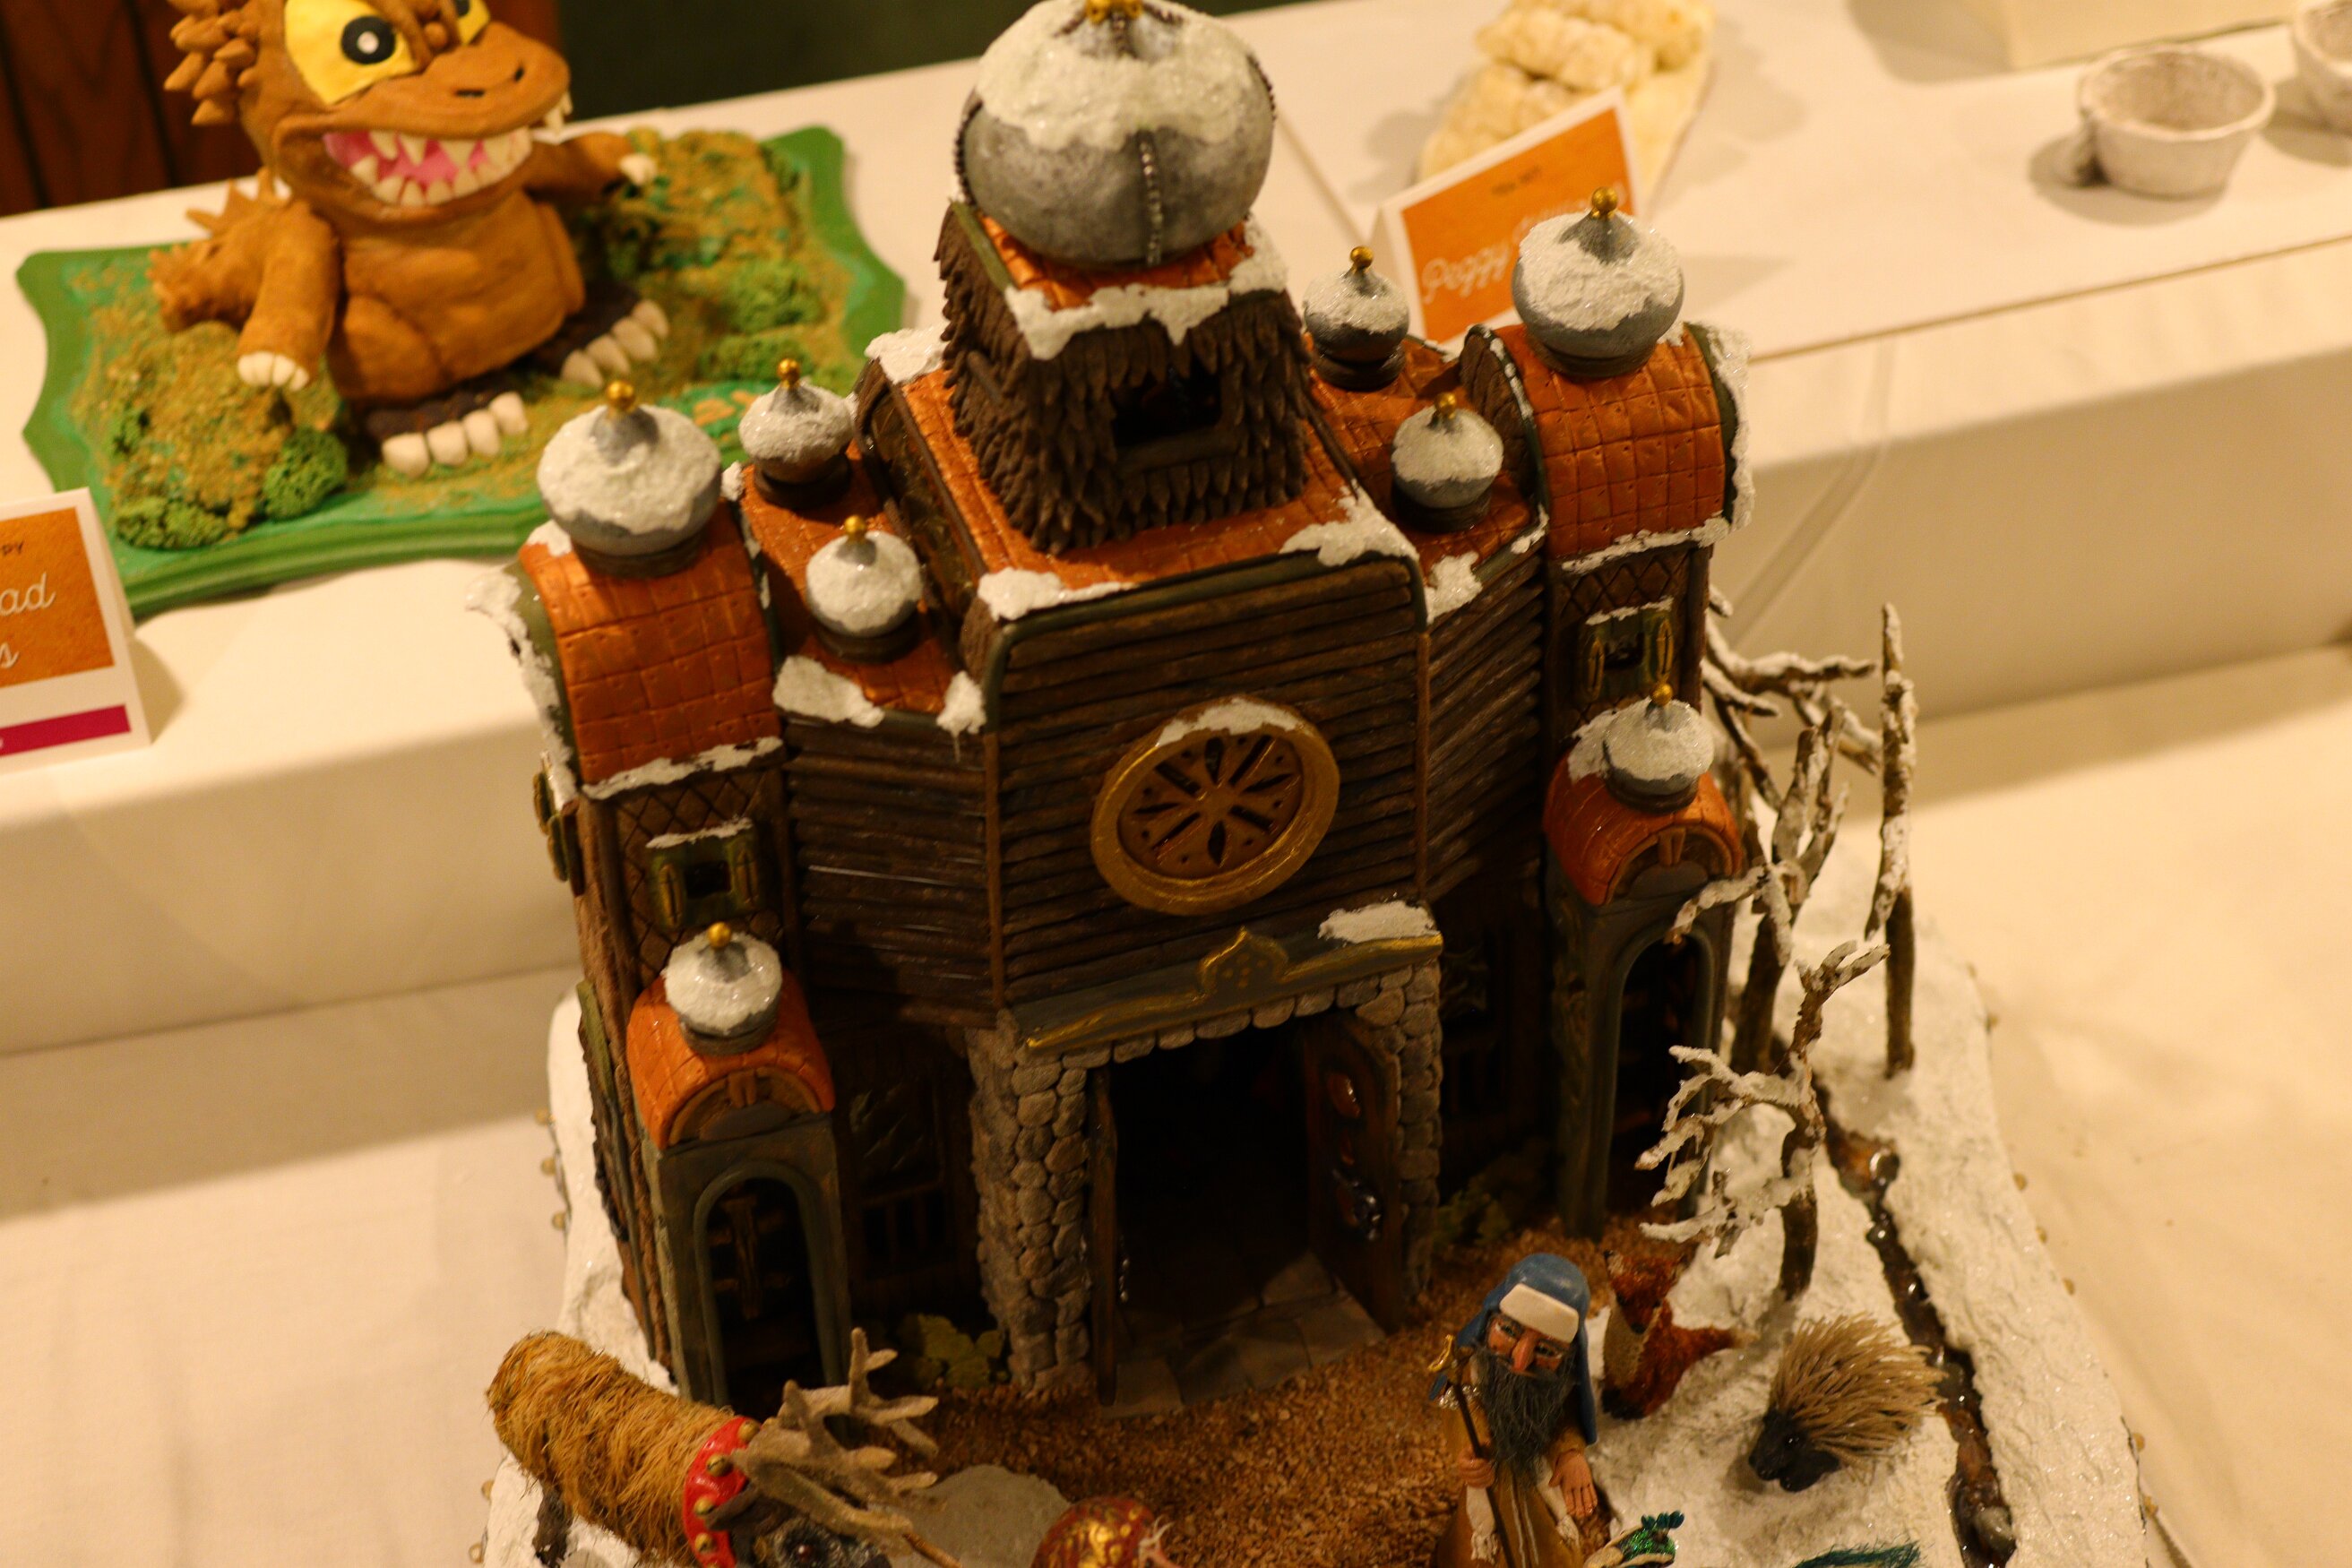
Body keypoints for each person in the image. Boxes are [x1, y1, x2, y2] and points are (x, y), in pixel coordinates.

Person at [1428, 1254, 1606, 1568]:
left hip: (1538, 1478)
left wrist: (1569, 1453)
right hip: (1490, 1479)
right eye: (1509, 1331)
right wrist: (1472, 1449)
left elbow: (1565, 1417)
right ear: (1491, 1319)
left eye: (1546, 1349)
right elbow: (1460, 1407)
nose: (1520, 1361)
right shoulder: (1472, 1369)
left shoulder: (1556, 1383)